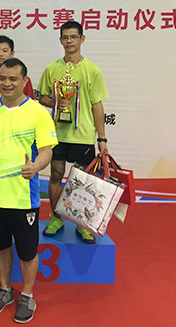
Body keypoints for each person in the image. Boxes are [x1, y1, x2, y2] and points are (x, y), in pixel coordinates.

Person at [0, 58, 57, 324]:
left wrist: (35, 166)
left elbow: (46, 151)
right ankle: (5, 290)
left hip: (24, 198)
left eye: (13, 79)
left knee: (27, 251)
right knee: (0, 247)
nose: (7, 83)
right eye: (2, 78)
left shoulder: (38, 112)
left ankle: (28, 295)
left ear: (25, 81)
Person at [38, 21, 109, 244]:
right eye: (65, 37)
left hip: (83, 134)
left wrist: (101, 138)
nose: (69, 41)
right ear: (60, 41)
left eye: (74, 37)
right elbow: (42, 97)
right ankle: (56, 217)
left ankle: (81, 223)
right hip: (57, 134)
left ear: (82, 39)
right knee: (56, 175)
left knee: (82, 181)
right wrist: (57, 102)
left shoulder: (92, 70)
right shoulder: (52, 68)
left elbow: (97, 105)